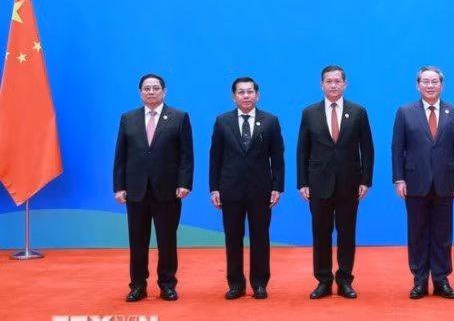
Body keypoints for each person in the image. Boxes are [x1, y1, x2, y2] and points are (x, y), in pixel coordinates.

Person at [113, 74, 194, 302]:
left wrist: (184, 183)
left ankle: (167, 284)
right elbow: (120, 156)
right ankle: (138, 285)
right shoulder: (128, 119)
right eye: (146, 88)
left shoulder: (179, 117)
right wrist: (119, 187)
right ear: (140, 92)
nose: (151, 92)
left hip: (168, 190)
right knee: (137, 240)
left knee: (167, 240)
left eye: (155, 88)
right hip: (135, 190)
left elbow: (187, 156)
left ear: (164, 91)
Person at [297, 65, 374, 299]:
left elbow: (367, 149)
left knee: (347, 233)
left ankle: (344, 280)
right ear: (322, 85)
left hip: (349, 183)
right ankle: (323, 280)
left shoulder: (358, 111)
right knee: (320, 233)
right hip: (318, 183)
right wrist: (303, 182)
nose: (333, 85)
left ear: (345, 84)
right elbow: (302, 150)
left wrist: (365, 180)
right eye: (328, 81)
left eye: (337, 81)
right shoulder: (310, 112)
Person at [392, 66, 454, 299]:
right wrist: (399, 178)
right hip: (415, 182)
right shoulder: (405, 112)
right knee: (417, 233)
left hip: (446, 182)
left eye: (435, 82)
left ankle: (441, 279)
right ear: (418, 85)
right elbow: (397, 148)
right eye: (425, 81)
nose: (430, 85)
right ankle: (419, 281)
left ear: (442, 85)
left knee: (443, 234)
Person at [209, 77, 285, 300]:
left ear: (257, 95)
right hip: (229, 189)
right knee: (233, 237)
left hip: (261, 189)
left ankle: (259, 283)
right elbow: (215, 158)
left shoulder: (270, 121)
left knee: (260, 237)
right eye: (240, 92)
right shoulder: (222, 121)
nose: (245, 96)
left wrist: (277, 186)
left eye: (250, 92)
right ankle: (236, 284)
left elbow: (278, 157)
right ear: (234, 97)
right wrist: (214, 188)